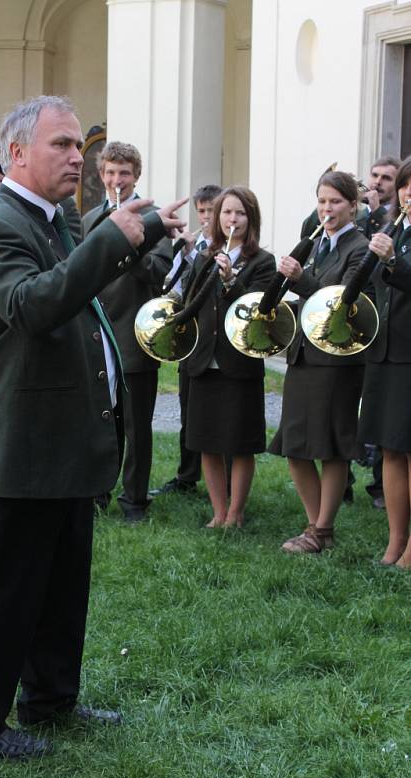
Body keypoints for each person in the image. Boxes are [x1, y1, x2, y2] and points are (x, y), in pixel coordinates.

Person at [0, 95, 186, 759]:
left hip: (63, 439)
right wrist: (110, 237)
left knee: (60, 586)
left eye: (80, 144)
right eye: (62, 144)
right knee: (8, 595)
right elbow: (34, 305)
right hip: (21, 442)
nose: (79, 157)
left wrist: (144, 235)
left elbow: (82, 288)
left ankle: (50, 701)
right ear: (16, 153)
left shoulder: (57, 219)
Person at [269, 171, 369, 554]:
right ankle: (315, 526)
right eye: (322, 201)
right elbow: (307, 299)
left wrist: (300, 280)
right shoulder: (314, 244)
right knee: (295, 445)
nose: (327, 209)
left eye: (336, 202)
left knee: (330, 445)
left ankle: (322, 529)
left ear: (352, 206)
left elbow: (341, 302)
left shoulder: (358, 247)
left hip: (336, 358)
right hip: (304, 355)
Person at [81, 141, 173, 523]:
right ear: (101, 176)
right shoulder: (90, 220)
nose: (117, 180)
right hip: (98, 332)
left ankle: (134, 500)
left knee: (136, 425)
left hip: (136, 332)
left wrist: (129, 240)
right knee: (101, 421)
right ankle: (98, 491)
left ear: (136, 176)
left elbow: (157, 272)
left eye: (125, 174)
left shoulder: (154, 217)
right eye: (110, 173)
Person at [184, 186, 275, 528]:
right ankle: (218, 511)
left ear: (250, 219)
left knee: (240, 442)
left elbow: (257, 309)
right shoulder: (205, 255)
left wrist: (232, 279)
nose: (231, 219)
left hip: (240, 360)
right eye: (226, 212)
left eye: (239, 213)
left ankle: (236, 512)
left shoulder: (262, 262)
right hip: (204, 359)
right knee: (206, 439)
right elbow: (191, 300)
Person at [151, 184, 222, 497]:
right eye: (202, 211)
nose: (206, 217)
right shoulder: (194, 244)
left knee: (219, 413)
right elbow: (178, 287)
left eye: (211, 211)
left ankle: (225, 480)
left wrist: (195, 254)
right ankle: (187, 475)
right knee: (188, 408)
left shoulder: (225, 248)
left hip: (216, 339)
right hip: (190, 338)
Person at [358, 155, 411, 568]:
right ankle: (395, 541)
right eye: (407, 185)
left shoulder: (396, 242)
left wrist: (393, 260)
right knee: (390, 450)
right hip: (386, 352)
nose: (409, 193)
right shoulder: (392, 228)